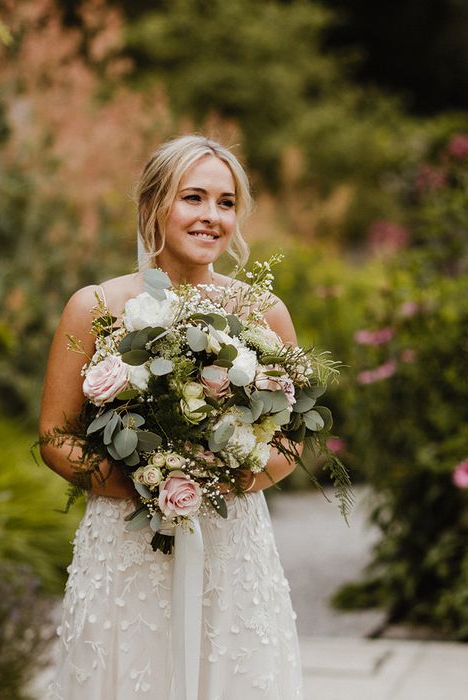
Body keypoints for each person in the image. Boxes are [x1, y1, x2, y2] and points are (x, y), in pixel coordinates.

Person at [40, 135, 303, 699]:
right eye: (194, 198)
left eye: (226, 203)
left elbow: (292, 437)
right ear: (154, 205)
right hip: (128, 539)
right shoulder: (94, 307)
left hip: (232, 540)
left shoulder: (263, 312)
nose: (212, 216)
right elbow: (56, 436)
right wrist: (147, 485)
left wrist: (223, 481)